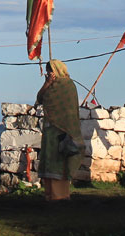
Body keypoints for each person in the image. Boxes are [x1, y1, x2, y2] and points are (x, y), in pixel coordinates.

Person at [36, 59, 84, 201]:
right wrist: (47, 83)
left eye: (51, 70)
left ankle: (61, 195)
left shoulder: (68, 85)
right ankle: (49, 194)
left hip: (62, 130)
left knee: (59, 163)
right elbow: (40, 98)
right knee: (49, 161)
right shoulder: (49, 85)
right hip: (50, 130)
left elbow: (68, 108)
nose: (49, 73)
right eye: (47, 70)